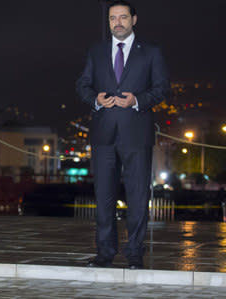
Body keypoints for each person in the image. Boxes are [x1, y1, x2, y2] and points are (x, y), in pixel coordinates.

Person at [76, 0, 170, 269]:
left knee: (138, 196)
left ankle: (134, 255)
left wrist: (137, 100)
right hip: (103, 134)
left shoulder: (151, 52)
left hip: (136, 134)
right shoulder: (96, 51)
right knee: (104, 197)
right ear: (108, 22)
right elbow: (82, 84)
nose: (117, 22)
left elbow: (162, 88)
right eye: (112, 18)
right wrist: (95, 99)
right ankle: (105, 253)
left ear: (134, 20)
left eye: (123, 17)